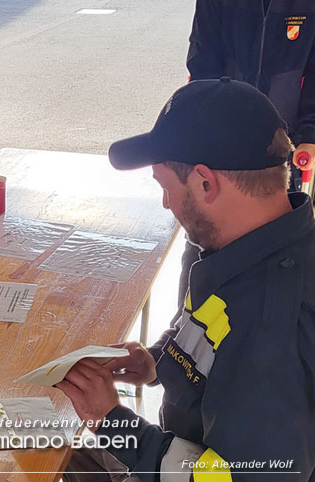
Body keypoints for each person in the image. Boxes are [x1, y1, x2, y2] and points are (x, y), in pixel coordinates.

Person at [57, 79, 315, 481]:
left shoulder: (275, 327)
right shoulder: (232, 243)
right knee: (31, 450)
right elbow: (205, 332)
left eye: (164, 186)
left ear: (205, 182)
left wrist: (112, 422)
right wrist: (156, 362)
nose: (165, 203)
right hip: (166, 451)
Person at [181, 0, 315, 303]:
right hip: (220, 142)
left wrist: (309, 134)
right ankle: (185, 327)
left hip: (282, 146)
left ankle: (259, 326)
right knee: (205, 237)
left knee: (274, 246)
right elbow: (202, 64)